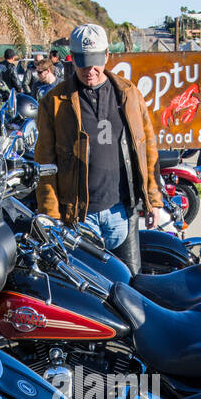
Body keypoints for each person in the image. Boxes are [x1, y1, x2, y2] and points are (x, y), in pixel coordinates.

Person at [34, 22, 162, 271]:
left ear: (106, 56)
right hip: (79, 218)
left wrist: (153, 200)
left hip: (122, 211)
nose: (89, 69)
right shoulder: (54, 101)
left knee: (130, 289)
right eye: (81, 60)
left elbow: (147, 148)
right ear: (72, 59)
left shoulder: (128, 94)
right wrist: (50, 212)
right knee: (88, 298)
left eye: (94, 60)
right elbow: (45, 164)